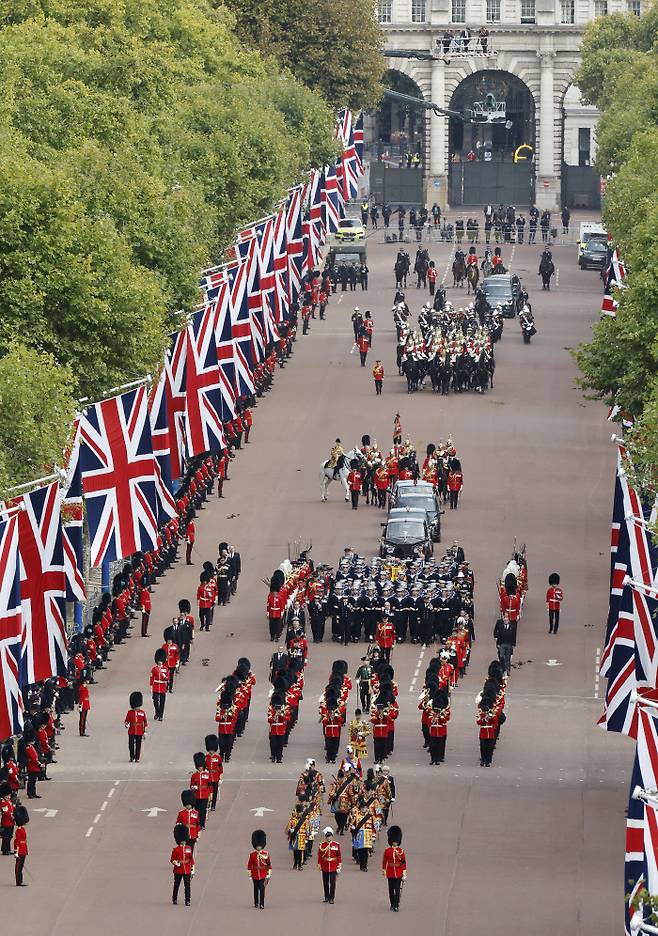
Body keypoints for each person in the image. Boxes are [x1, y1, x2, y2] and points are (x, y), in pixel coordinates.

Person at [382, 825, 406, 910]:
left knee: (397, 889)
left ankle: (396, 905)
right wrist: (384, 869)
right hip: (390, 872)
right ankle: (392, 904)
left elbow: (403, 862)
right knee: (391, 890)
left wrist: (404, 872)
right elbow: (385, 861)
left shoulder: (401, 851)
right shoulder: (387, 851)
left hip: (399, 872)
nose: (395, 842)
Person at [171, 824, 194, 906]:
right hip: (178, 870)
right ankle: (174, 899)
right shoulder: (176, 850)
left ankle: (187, 900)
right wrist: (176, 863)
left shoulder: (188, 848)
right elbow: (172, 859)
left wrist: (192, 868)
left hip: (187, 869)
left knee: (187, 886)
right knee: (176, 885)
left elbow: (191, 859)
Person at [248, 829, 271, 908]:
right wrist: (249, 875)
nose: (258, 847)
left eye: (259, 846)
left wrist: (268, 875)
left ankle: (262, 903)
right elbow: (249, 864)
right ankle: (256, 902)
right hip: (255, 874)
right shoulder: (252, 855)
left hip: (263, 873)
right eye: (257, 846)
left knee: (262, 889)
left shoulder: (266, 854)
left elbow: (269, 865)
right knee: (255, 889)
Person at [317, 827, 341, 903]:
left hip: (333, 866)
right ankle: (326, 896)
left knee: (333, 883)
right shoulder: (322, 845)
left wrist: (339, 865)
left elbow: (338, 856)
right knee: (325, 882)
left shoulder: (336, 845)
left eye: (330, 836)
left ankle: (332, 898)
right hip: (325, 866)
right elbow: (320, 856)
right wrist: (319, 864)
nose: (328, 838)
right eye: (327, 836)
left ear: (332, 836)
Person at [125, 690, 148, 762]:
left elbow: (145, 722)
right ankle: (132, 757)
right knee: (131, 744)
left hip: (139, 731)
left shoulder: (142, 713)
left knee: (138, 745)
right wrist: (126, 724)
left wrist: (144, 732)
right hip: (131, 730)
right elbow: (127, 721)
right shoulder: (129, 712)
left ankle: (137, 758)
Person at [151, 648, 169, 721]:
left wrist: (165, 678)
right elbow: (152, 677)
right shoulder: (154, 669)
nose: (160, 662)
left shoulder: (165, 668)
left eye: (161, 661)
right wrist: (151, 686)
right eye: (159, 661)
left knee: (162, 702)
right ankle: (157, 712)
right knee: (155, 700)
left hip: (162, 687)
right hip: (156, 686)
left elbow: (167, 677)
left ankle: (161, 715)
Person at [13, 804, 29, 887]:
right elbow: (17, 842)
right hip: (20, 851)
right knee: (18, 868)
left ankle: (20, 880)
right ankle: (18, 882)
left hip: (23, 850)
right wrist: (16, 852)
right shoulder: (19, 830)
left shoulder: (22, 828)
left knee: (20, 867)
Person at [0, 781, 14, 855]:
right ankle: (5, 850)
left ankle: (7, 849)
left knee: (9, 836)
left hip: (10, 822)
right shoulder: (3, 802)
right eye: (7, 795)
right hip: (6, 822)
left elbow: (11, 810)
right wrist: (13, 817)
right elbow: (6, 813)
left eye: (9, 795)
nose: (9, 797)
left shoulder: (8, 802)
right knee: (6, 837)